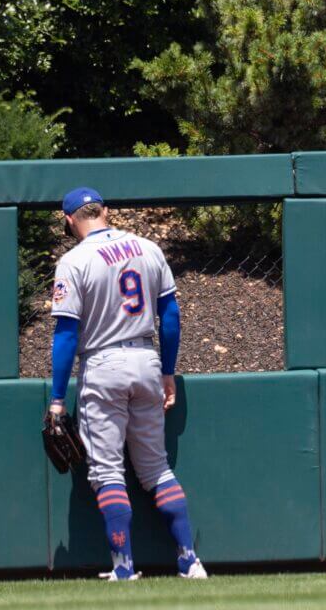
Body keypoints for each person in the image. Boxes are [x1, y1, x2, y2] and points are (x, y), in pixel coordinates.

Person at [48, 186, 207, 581]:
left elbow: (66, 335)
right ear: (106, 211)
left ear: (69, 220)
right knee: (155, 469)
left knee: (107, 473)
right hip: (145, 357)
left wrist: (55, 399)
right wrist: (167, 370)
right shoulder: (147, 247)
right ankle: (190, 560)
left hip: (102, 364)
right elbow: (170, 317)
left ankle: (124, 568)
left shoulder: (73, 260)